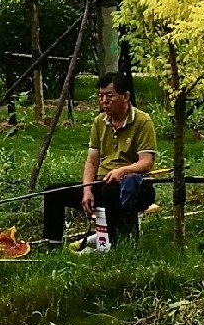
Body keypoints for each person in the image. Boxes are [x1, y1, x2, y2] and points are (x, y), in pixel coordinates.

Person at [42, 70, 157, 245]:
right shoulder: (99, 122)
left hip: (135, 188)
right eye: (101, 96)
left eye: (109, 96)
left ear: (125, 97)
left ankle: (120, 245)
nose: (104, 101)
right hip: (101, 184)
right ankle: (51, 244)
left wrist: (123, 171)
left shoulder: (142, 121)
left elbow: (146, 163)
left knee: (111, 191)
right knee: (53, 192)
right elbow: (92, 161)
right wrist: (87, 190)